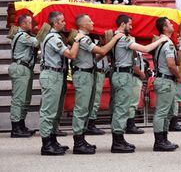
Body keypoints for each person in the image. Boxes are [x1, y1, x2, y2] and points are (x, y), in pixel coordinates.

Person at [109, 14, 169, 153]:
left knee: (122, 107)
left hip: (121, 74)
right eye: (129, 24)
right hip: (123, 75)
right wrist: (161, 40)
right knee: (121, 108)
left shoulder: (114, 37)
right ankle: (117, 141)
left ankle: (119, 138)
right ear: (123, 24)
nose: (131, 26)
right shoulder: (122, 38)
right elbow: (146, 49)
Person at [70, 14, 123, 154]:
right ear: (82, 25)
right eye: (90, 21)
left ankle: (82, 138)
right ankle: (78, 142)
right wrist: (114, 39)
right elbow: (102, 50)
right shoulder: (82, 38)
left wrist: (106, 47)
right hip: (83, 75)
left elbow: (97, 56)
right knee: (81, 109)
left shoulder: (85, 38)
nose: (93, 22)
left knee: (86, 108)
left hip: (88, 73)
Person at [39, 11, 83, 155]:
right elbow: (71, 55)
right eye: (62, 21)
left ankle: (52, 139)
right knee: (49, 110)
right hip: (52, 74)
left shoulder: (57, 37)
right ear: (55, 23)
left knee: (56, 111)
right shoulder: (53, 38)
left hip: (58, 74)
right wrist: (77, 40)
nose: (65, 23)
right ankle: (46, 144)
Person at [151, 17, 181, 151]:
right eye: (170, 24)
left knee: (166, 112)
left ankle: (163, 139)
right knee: (162, 112)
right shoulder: (167, 43)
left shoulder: (161, 41)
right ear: (165, 28)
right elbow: (171, 64)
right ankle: (159, 141)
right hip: (166, 80)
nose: (172, 25)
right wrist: (179, 76)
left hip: (164, 79)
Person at [8, 15, 39, 138]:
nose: (32, 25)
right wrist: (41, 31)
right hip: (20, 68)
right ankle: (16, 127)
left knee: (25, 99)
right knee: (19, 99)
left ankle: (21, 124)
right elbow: (37, 42)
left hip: (26, 68)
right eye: (30, 23)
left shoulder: (27, 35)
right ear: (23, 24)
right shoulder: (22, 36)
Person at [168, 21, 181, 132]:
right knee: (177, 97)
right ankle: (173, 121)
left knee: (176, 97)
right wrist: (180, 74)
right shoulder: (179, 40)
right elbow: (179, 58)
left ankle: (173, 120)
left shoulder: (180, 39)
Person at [85, 40, 109, 135]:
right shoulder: (93, 42)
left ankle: (90, 123)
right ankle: (90, 124)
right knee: (95, 99)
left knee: (96, 99)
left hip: (102, 72)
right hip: (97, 71)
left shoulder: (103, 42)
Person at [125, 50, 145, 134]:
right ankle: (130, 125)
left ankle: (130, 124)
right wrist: (141, 74)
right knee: (132, 103)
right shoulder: (133, 51)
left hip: (134, 77)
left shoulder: (135, 50)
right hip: (135, 77)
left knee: (132, 102)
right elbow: (135, 67)